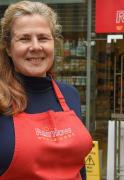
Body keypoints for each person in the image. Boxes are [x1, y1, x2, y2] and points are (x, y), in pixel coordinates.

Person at [0, 1, 92, 179]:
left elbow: (79, 166)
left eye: (43, 38)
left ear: (54, 44)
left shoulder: (70, 95)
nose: (35, 47)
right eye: (24, 38)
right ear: (9, 48)